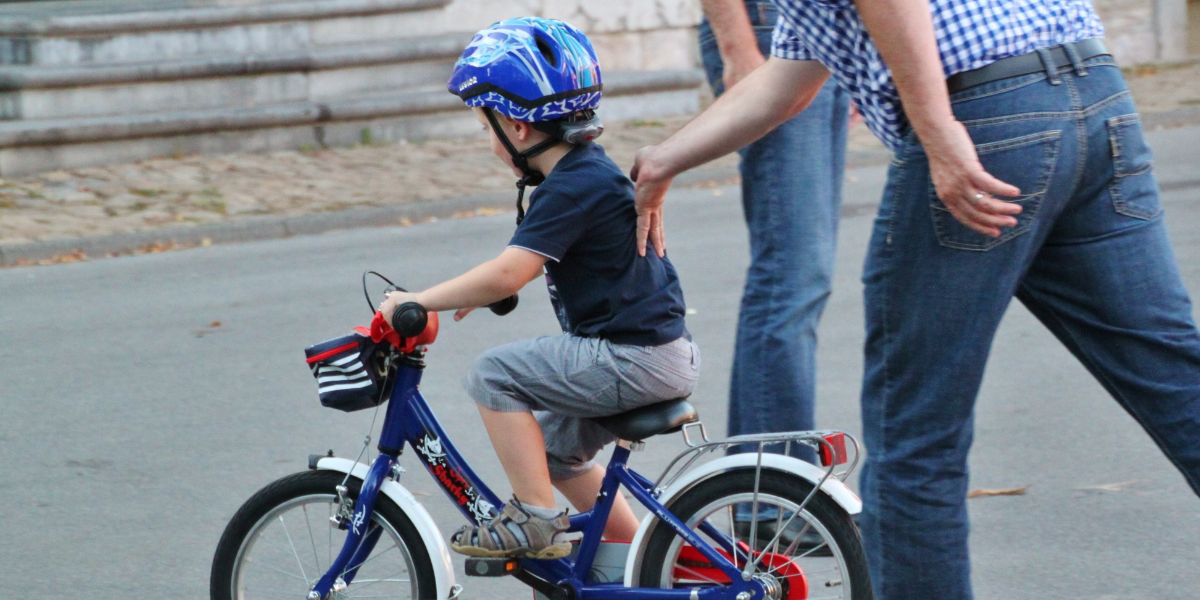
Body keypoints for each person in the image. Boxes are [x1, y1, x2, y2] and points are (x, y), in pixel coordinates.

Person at [629, 0, 1200, 598]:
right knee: (1174, 377)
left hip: (981, 112)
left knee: (915, 445)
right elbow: (788, 81)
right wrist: (668, 158)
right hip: (1094, 95)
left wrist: (936, 128)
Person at [381, 17, 700, 560]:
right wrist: (476, 293)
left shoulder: (572, 187)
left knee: (493, 374)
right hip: (655, 353)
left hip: (632, 357)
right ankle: (631, 558)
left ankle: (533, 518)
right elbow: (519, 269)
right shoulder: (582, 175)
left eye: (487, 127)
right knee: (554, 454)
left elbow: (510, 272)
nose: (490, 139)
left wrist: (418, 299)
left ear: (517, 127)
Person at [699, 0, 848, 460]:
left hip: (823, 36)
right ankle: (775, 492)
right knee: (792, 276)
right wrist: (737, 45)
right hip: (768, 32)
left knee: (796, 278)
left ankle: (759, 489)